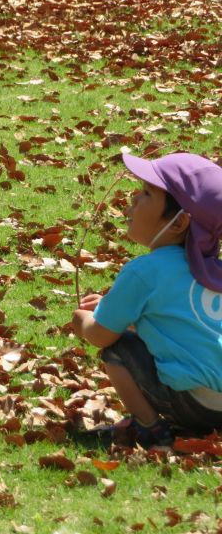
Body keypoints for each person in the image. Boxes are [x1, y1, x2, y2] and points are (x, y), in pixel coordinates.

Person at [71, 152, 222, 448]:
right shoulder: (214, 272)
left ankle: (151, 429)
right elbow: (176, 321)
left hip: (195, 405)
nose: (133, 200)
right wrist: (110, 303)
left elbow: (101, 335)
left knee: (118, 348)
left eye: (146, 193)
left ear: (179, 223)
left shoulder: (145, 271)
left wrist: (83, 321)